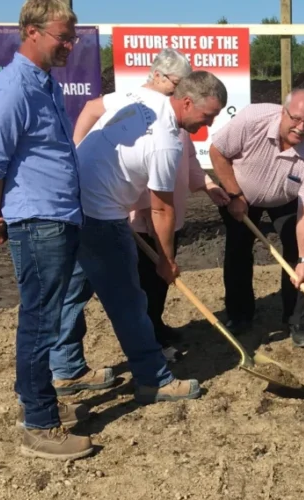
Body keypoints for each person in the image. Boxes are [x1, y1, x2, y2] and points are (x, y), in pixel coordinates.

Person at [0, 0, 93, 460]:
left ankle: (39, 401)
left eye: (72, 36)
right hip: (38, 224)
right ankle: (39, 423)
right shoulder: (12, 91)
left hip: (57, 220)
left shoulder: (45, 85)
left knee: (46, 317)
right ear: (31, 31)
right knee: (40, 321)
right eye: (63, 36)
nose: (70, 44)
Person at [69, 70, 225, 406]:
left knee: (72, 292)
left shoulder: (145, 98)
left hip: (71, 199)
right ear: (186, 101)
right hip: (100, 214)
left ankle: (66, 368)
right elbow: (161, 211)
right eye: (206, 115)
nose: (207, 125)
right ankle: (154, 379)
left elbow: (93, 108)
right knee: (129, 301)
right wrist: (166, 261)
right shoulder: (167, 141)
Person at [208, 89, 304, 348]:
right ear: (283, 111)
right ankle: (240, 315)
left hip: (285, 198)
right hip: (239, 192)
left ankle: (297, 319)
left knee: (297, 252)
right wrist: (235, 194)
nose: (301, 127)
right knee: (238, 250)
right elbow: (217, 152)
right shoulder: (253, 119)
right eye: (296, 118)